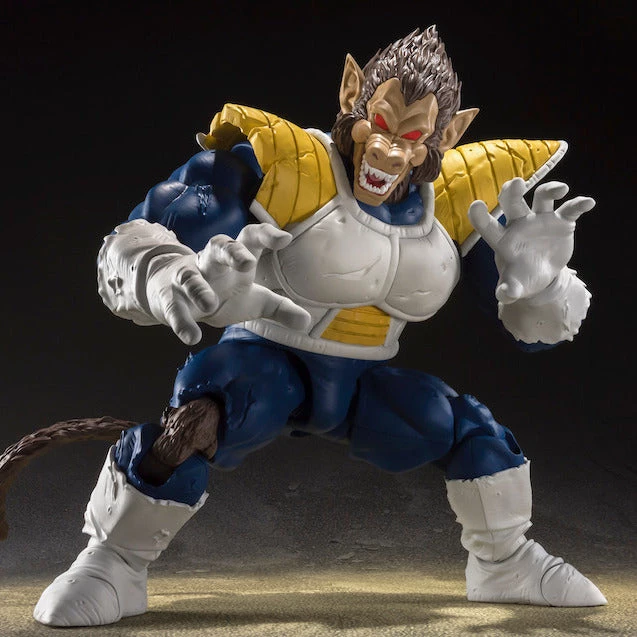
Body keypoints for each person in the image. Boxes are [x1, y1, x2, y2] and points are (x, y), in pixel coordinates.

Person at [33, 27, 605, 627]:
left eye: (412, 139)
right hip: (264, 361)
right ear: (351, 93)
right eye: (378, 124)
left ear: (448, 135)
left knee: (475, 433)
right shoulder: (287, 164)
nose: (387, 153)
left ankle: (504, 562)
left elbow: (531, 327)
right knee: (195, 425)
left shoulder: (463, 202)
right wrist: (164, 272)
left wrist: (543, 284)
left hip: (362, 382)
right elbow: (150, 228)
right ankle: (112, 560)